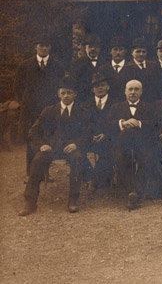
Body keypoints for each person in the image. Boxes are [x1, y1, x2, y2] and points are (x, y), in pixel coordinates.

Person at [19, 80, 88, 216]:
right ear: (58, 94)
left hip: (71, 148)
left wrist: (76, 144)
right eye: (63, 93)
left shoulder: (82, 111)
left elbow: (88, 133)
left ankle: (73, 199)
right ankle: (30, 201)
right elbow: (33, 131)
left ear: (75, 94)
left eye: (69, 93)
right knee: (37, 161)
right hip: (51, 148)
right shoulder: (49, 111)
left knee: (78, 158)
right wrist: (41, 145)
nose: (66, 96)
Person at [15, 36, 65, 173]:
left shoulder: (58, 66)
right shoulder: (24, 65)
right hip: (30, 109)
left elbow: (61, 87)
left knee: (48, 138)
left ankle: (45, 173)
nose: (44, 48)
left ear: (50, 47)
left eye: (47, 45)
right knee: (32, 138)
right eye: (41, 45)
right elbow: (18, 88)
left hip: (50, 109)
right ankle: (31, 173)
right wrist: (25, 103)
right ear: (35, 47)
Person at [109, 79, 156, 210]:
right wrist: (122, 123)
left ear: (141, 92)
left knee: (147, 158)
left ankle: (135, 191)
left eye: (136, 89)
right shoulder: (116, 107)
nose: (133, 92)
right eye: (130, 89)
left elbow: (155, 124)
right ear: (125, 91)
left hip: (143, 145)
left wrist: (139, 123)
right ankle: (132, 191)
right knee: (120, 158)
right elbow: (107, 125)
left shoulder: (149, 107)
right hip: (122, 146)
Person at [81, 72, 117, 193]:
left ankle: (100, 179)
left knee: (108, 150)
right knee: (78, 152)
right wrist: (90, 135)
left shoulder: (116, 104)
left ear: (108, 87)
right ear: (92, 89)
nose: (100, 88)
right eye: (96, 86)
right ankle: (90, 177)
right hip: (89, 138)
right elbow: (82, 124)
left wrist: (106, 134)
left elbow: (117, 123)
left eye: (103, 85)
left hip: (109, 138)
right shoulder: (84, 106)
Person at [69, 33, 103, 99]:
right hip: (84, 97)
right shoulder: (77, 64)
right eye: (90, 46)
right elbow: (74, 83)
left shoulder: (106, 62)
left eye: (96, 47)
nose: (93, 49)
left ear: (100, 48)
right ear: (85, 48)